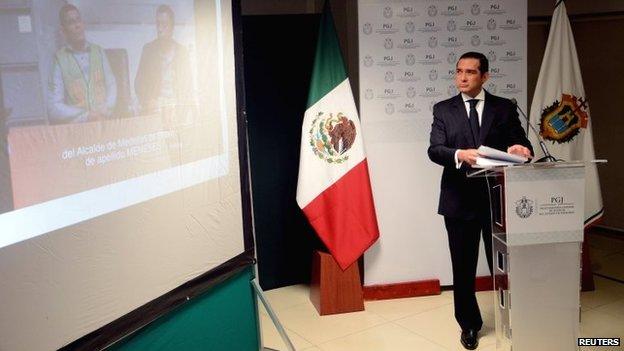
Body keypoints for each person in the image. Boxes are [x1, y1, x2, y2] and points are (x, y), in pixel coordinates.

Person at [428, 52, 533, 350]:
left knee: (504, 267)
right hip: (458, 202)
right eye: (459, 71)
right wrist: (459, 154)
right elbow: (435, 150)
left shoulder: (503, 107)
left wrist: (521, 149)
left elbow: (521, 142)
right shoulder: (443, 110)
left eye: (470, 72)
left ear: (485, 76)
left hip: (496, 200)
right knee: (462, 268)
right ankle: (469, 326)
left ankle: (513, 320)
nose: (462, 77)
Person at [48, 4, 117, 124]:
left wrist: (104, 110)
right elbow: (54, 108)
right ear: (63, 31)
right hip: (80, 125)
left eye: (78, 20)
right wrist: (85, 116)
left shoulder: (99, 52)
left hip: (104, 120)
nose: (77, 25)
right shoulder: (59, 59)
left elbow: (112, 86)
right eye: (71, 22)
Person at [135, 4, 193, 115]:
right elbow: (138, 83)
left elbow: (188, 85)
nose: (160, 29)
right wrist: (148, 101)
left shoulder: (182, 52)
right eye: (158, 24)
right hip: (155, 108)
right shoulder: (148, 50)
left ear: (172, 27)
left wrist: (182, 105)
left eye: (164, 24)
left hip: (177, 108)